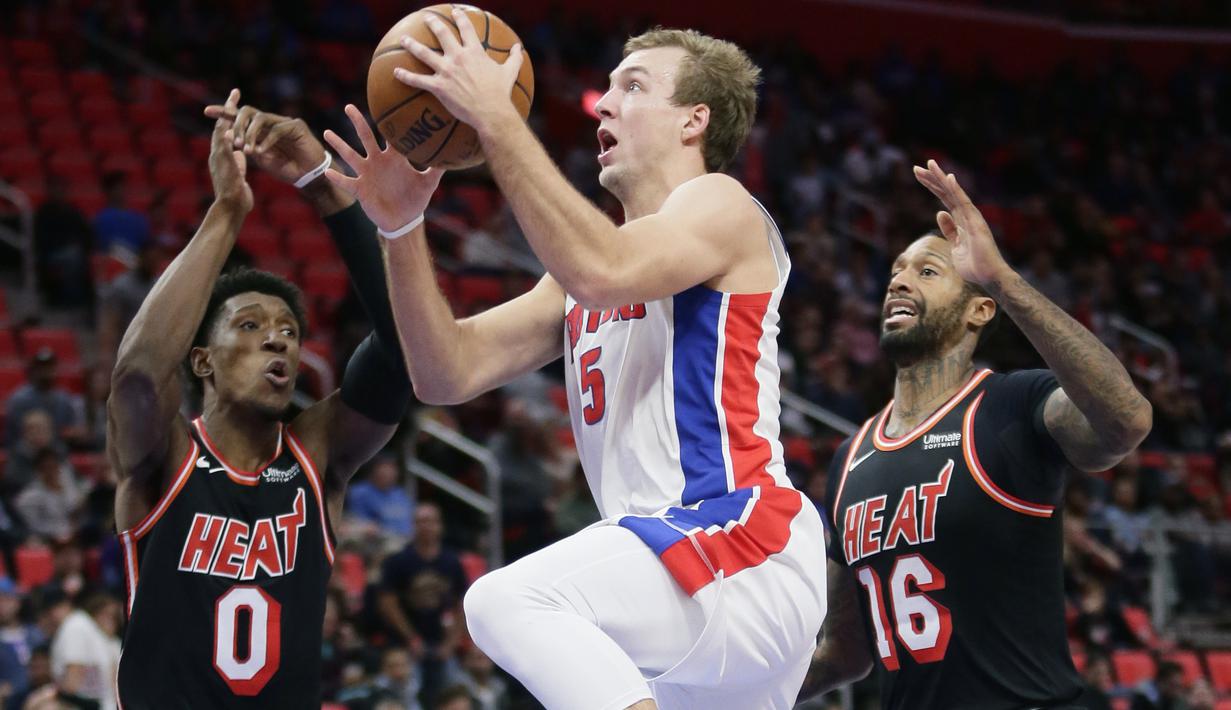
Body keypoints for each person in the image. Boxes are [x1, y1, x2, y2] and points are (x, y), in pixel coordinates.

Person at [328, 21, 826, 710]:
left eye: (633, 87)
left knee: (509, 600)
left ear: (693, 120)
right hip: (673, 586)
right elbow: (444, 372)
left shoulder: (720, 203)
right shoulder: (579, 279)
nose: (603, 104)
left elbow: (602, 268)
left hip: (738, 539)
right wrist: (400, 229)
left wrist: (496, 117)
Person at [804, 161, 1153, 708]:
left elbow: (1126, 421)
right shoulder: (850, 457)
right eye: (897, 269)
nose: (898, 279)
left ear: (979, 310)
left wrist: (1005, 280)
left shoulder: (1009, 406)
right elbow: (845, 651)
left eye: (927, 271)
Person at [109, 90, 415, 708]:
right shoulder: (167, 458)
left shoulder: (316, 452)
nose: (277, 340)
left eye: (289, 332)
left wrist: (320, 184)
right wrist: (227, 211)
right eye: (249, 326)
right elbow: (140, 376)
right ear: (203, 362)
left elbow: (405, 351)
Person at [376, 502, 467, 704]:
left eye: (431, 521)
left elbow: (462, 604)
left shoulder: (451, 562)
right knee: (408, 697)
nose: (426, 526)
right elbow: (387, 603)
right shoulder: (399, 561)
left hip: (439, 642)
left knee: (456, 692)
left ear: (440, 526)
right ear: (413, 526)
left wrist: (451, 643)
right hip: (405, 644)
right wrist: (411, 639)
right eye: (420, 521)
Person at [49, 591, 122, 710]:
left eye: (114, 616)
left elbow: (72, 681)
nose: (110, 620)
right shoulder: (82, 627)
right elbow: (73, 681)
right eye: (105, 614)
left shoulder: (110, 641)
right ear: (94, 611)